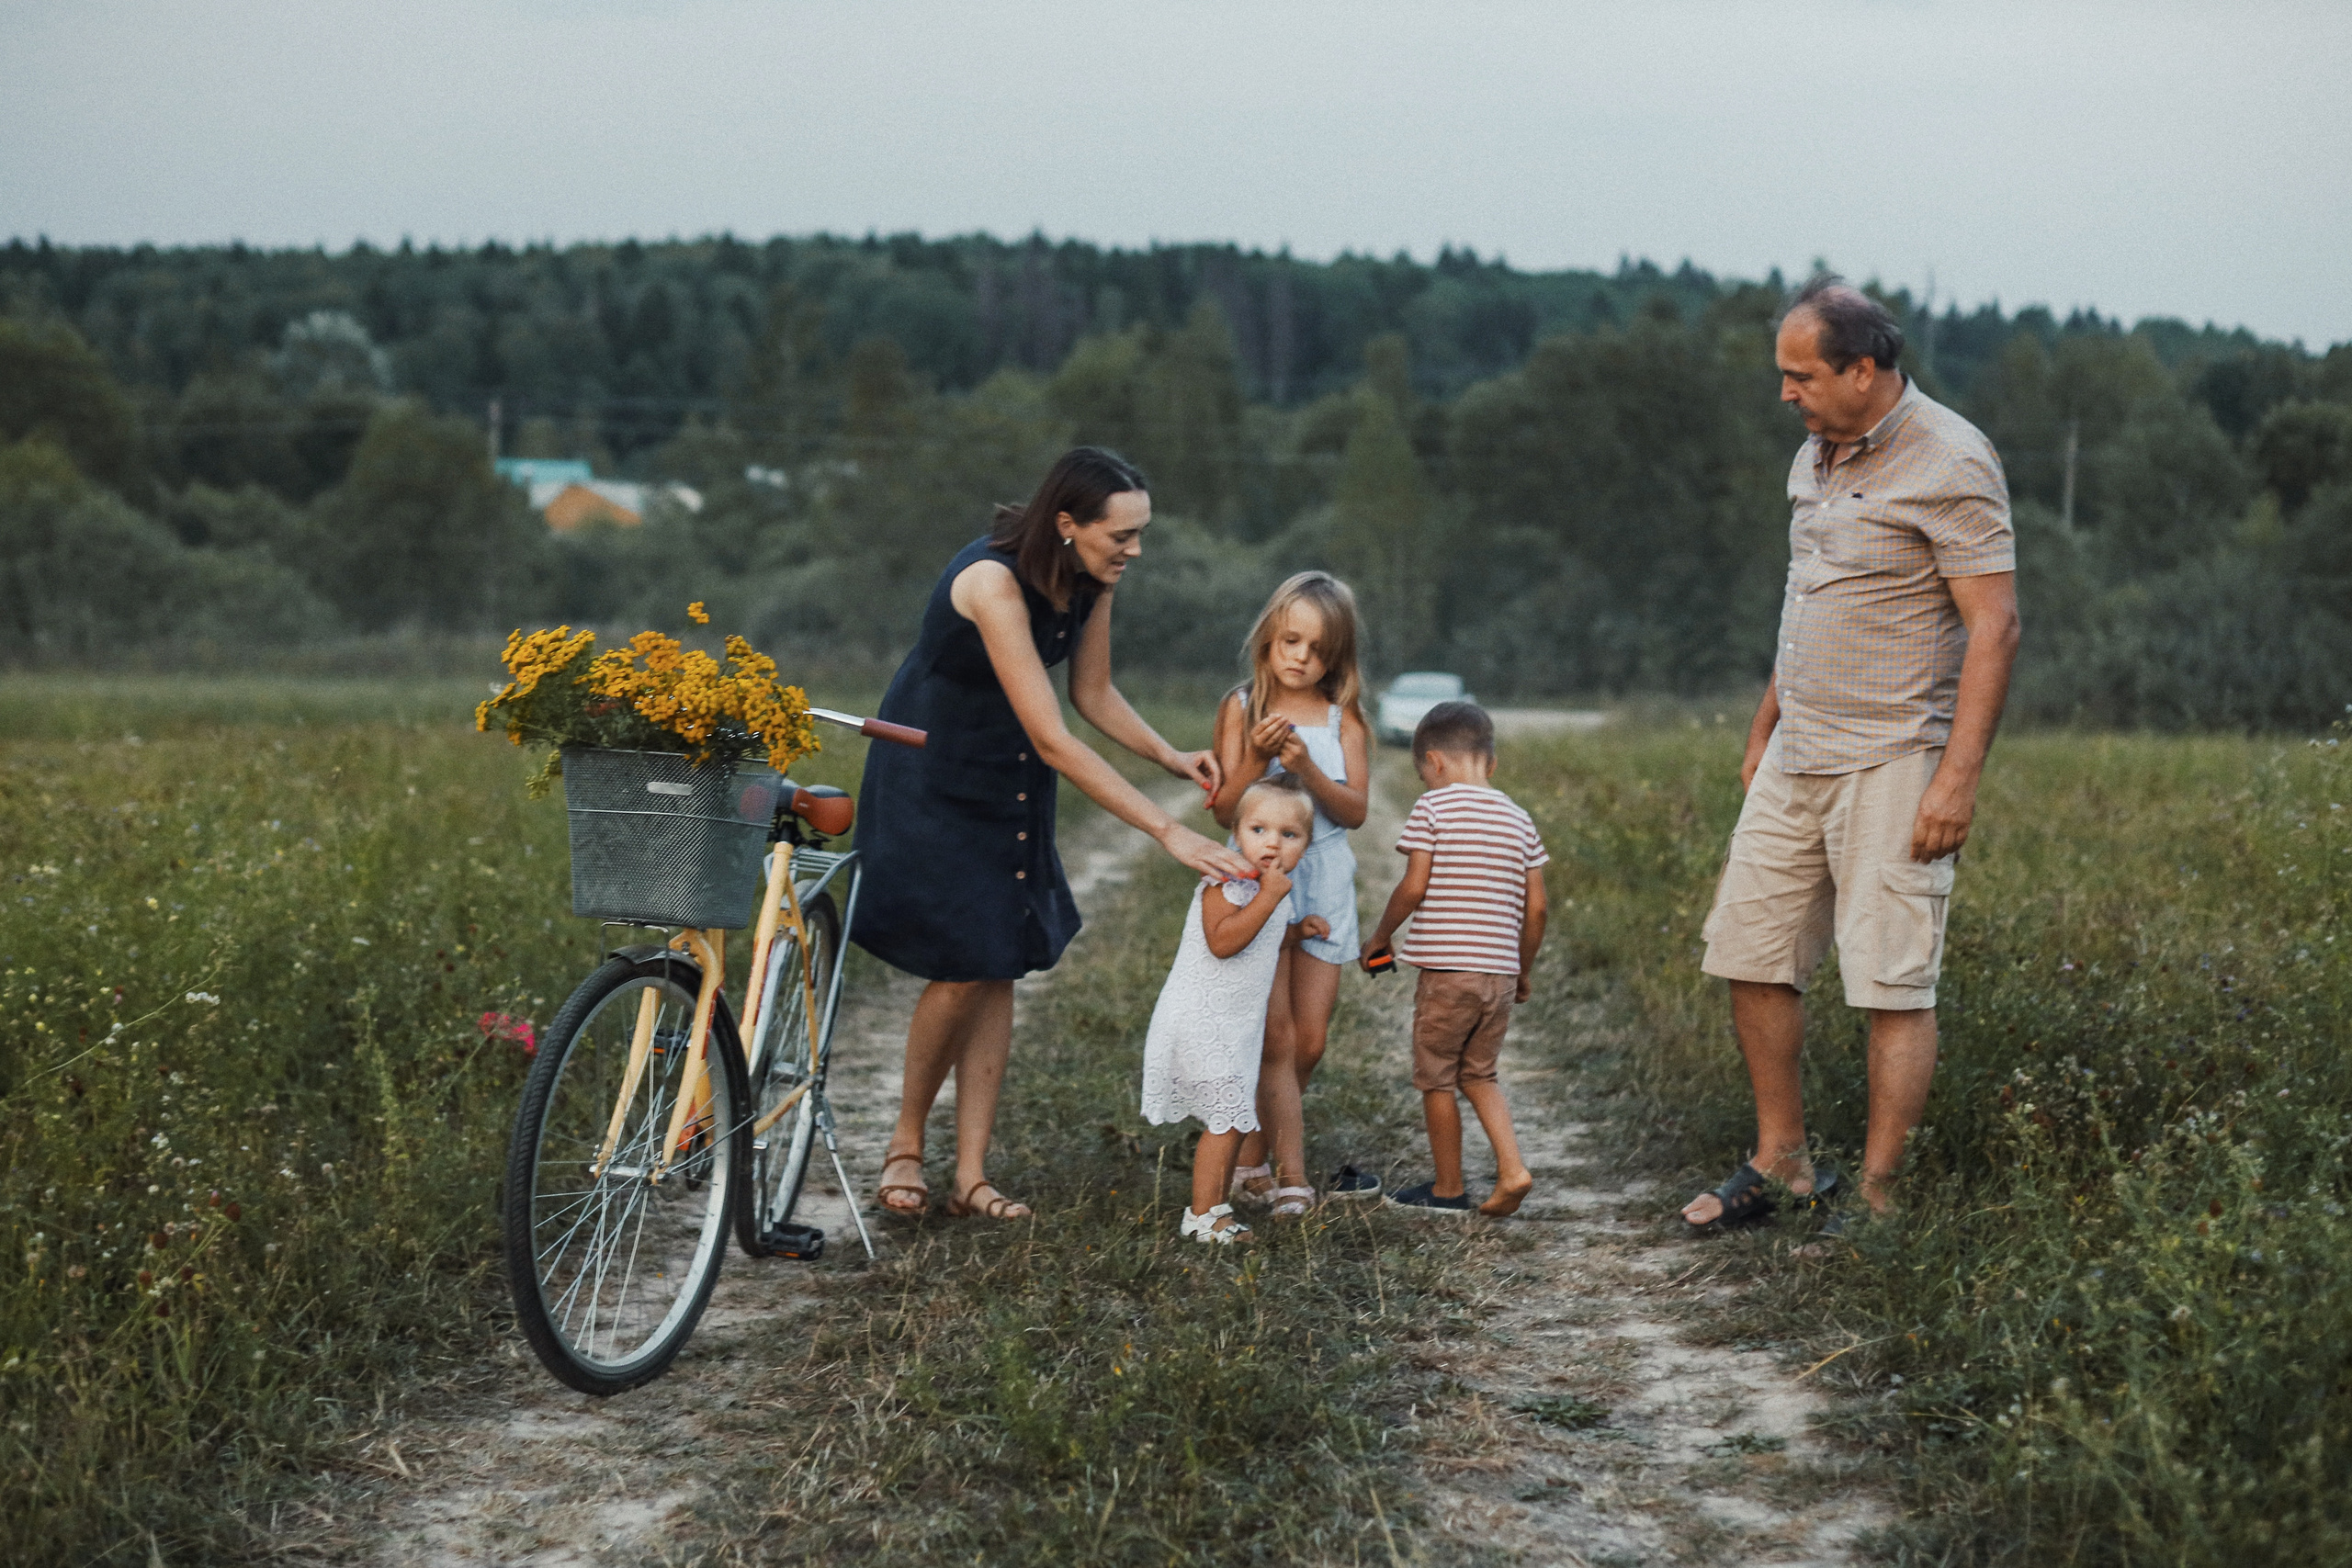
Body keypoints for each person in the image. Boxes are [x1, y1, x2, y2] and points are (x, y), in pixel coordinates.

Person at [1681, 276, 2021, 1234]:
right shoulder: (1814, 455)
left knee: (1889, 980)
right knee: (1750, 953)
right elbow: (1811, 600)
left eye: (1799, 376)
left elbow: (1993, 629)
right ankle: (1780, 1161)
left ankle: (1874, 1200)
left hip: (1893, 756)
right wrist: (1764, 724)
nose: (1783, 394)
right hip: (1800, 749)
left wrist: (1954, 779)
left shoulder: (1951, 460)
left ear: (1863, 371)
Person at [854, 447, 1255, 1222]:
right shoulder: (991, 584)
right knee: (964, 967)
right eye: (1121, 536)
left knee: (998, 960)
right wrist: (1166, 831)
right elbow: (1055, 738)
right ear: (1066, 523)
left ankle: (972, 1173)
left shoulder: (1090, 578)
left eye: (1140, 535)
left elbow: (1093, 693)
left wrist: (1168, 755)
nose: (1134, 552)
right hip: (935, 775)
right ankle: (905, 1143)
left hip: (1009, 781)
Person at [1206, 572, 1374, 1216]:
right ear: (1268, 639)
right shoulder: (1242, 705)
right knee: (1271, 1034)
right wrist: (1255, 753)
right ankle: (1261, 1162)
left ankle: (1255, 1142)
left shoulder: (1343, 717)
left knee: (1309, 1042)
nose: (1300, 657)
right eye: (1290, 641)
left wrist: (1305, 766)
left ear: (1336, 657)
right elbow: (1226, 809)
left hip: (1324, 878)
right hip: (1259, 884)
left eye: (1318, 648)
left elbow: (1355, 810)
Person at [1359, 702, 1548, 1217]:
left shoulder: (1433, 809)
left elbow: (1414, 885)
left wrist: (1380, 937)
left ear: (1434, 763)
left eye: (1424, 774)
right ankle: (1513, 1169)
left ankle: (1448, 1189)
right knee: (1480, 1073)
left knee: (1437, 1076)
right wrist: (1522, 968)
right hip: (1500, 977)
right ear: (1490, 762)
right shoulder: (1519, 819)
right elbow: (1537, 907)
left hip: (1449, 975)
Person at [1140, 775, 1329, 1243]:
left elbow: (1261, 940)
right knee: (1225, 1124)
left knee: (1233, 1117)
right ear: (1236, 833)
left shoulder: (1267, 889)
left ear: (1306, 844)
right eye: (1259, 830)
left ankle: (1217, 1207)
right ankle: (1204, 1215)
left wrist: (1297, 931)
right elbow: (1224, 942)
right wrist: (1269, 898)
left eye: (1289, 835)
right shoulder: (1224, 885)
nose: (1272, 844)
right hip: (1202, 1020)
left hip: (1232, 1026)